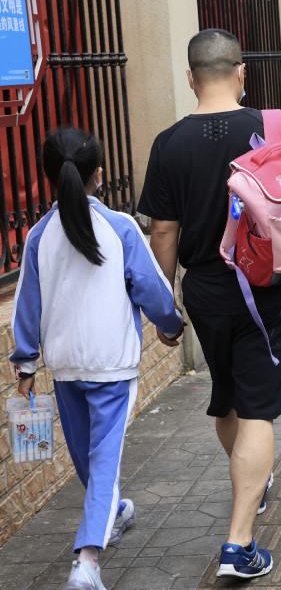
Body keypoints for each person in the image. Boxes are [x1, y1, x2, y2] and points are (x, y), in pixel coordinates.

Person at [137, 29, 281, 579]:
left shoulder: (168, 143)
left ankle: (250, 483)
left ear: (191, 78)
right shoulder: (272, 128)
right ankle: (238, 545)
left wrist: (166, 302)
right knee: (259, 408)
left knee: (229, 397)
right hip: (267, 288)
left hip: (206, 291)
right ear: (242, 73)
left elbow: (163, 229)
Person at [10, 129, 184, 590]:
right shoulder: (121, 226)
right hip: (112, 363)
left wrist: (26, 364)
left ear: (51, 177)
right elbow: (151, 289)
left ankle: (118, 511)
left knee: (90, 460)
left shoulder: (38, 235)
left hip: (64, 364)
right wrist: (170, 324)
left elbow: (28, 301)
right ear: (100, 175)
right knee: (102, 460)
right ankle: (86, 564)